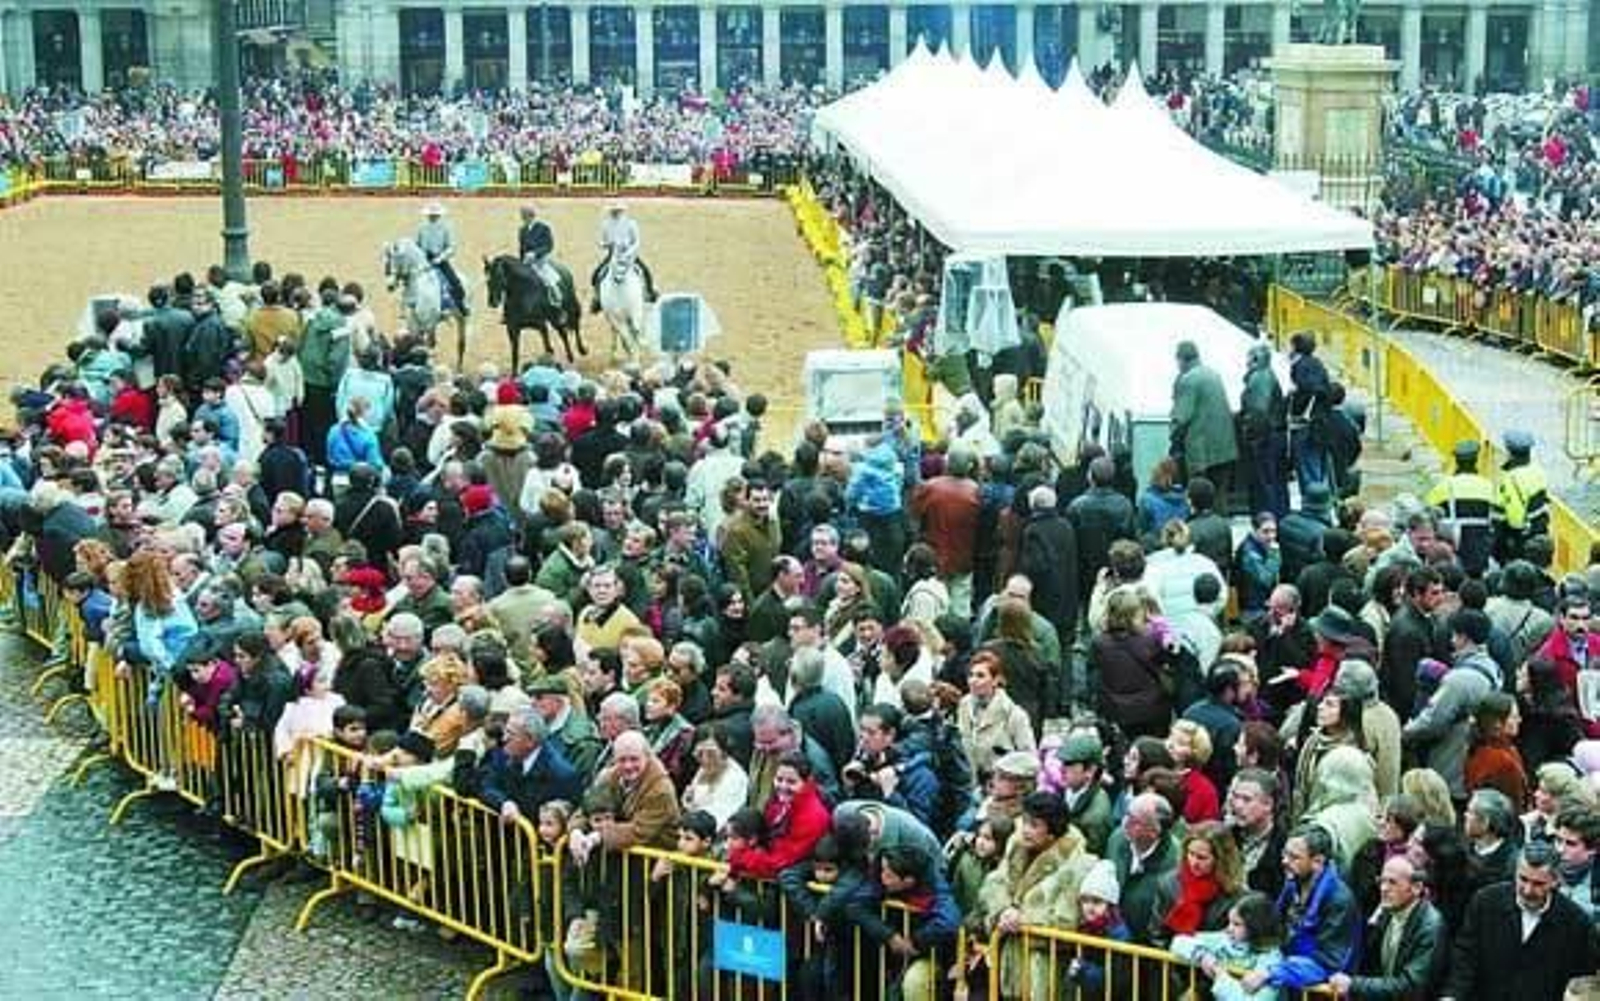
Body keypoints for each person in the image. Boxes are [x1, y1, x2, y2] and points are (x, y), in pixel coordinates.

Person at [1441, 842, 1597, 1001]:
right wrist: (1452, 996)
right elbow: (1465, 957)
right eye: (1523, 879)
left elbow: (1578, 982)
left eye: (1538, 884)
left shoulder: (1577, 924)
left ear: (1556, 881)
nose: (1528, 890)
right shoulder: (1486, 902)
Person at [1328, 853, 1448, 1000]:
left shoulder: (1431, 925)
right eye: (1382, 881)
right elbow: (1369, 967)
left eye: (1392, 882)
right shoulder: (1387, 913)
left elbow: (1412, 987)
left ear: (1416, 888)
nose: (1384, 888)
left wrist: (1354, 985)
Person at [1170, 339, 1239, 496]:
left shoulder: (1188, 380)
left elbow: (1181, 418)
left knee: (1198, 498)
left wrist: (1173, 438)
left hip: (1202, 453)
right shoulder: (1214, 374)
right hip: (1224, 449)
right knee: (1219, 497)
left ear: (1181, 359)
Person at [1425, 439, 1498, 577]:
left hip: (1454, 552)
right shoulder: (1488, 486)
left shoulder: (1445, 486)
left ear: (1456, 461)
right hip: (1481, 552)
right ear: (1476, 461)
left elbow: (1429, 515)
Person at [1494, 429, 1550, 563]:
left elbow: (1505, 515)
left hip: (1519, 538)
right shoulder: (1539, 472)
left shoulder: (1509, 479)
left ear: (1510, 453)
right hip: (1540, 532)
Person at [590, 201, 656, 312]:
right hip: (613, 254)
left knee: (645, 271)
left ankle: (649, 292)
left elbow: (637, 242)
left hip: (629, 254)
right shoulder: (606, 224)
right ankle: (597, 298)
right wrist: (606, 245)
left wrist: (629, 252)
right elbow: (601, 241)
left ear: (621, 211)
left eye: (617, 211)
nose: (615, 213)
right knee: (597, 274)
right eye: (613, 211)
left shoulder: (631, 224)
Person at [417, 202, 468, 316]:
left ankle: (460, 305)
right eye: (431, 214)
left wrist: (440, 258)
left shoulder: (446, 228)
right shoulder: (421, 227)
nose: (433, 216)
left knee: (454, 282)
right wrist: (420, 256)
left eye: (435, 214)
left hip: (441, 260)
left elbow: (451, 247)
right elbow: (417, 244)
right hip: (424, 260)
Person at [517, 204, 564, 309]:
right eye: (523, 216)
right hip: (526, 261)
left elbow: (549, 245)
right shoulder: (522, 230)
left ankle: (556, 297)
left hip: (540, 260)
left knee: (548, 279)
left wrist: (535, 254)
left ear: (531, 216)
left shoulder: (543, 228)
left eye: (525, 216)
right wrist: (521, 261)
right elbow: (521, 248)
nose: (524, 218)